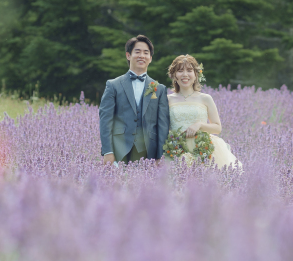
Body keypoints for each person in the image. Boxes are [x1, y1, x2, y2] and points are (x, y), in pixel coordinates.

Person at [99, 35, 170, 164]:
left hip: (150, 153)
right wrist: (108, 152)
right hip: (119, 151)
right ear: (128, 55)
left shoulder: (160, 89)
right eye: (137, 52)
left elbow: (162, 125)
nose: (141, 55)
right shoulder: (113, 85)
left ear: (150, 58)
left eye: (146, 53)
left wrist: (161, 155)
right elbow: (105, 121)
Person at [167, 54, 240, 168]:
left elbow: (217, 128)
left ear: (196, 74)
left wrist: (200, 125)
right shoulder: (167, 100)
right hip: (177, 149)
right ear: (174, 75)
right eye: (180, 71)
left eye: (189, 70)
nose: (185, 74)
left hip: (203, 149)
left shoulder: (205, 98)